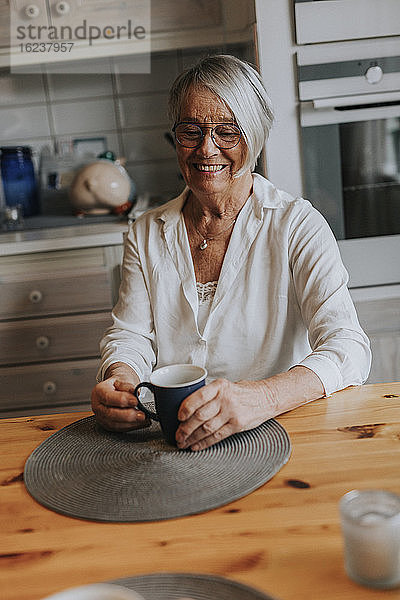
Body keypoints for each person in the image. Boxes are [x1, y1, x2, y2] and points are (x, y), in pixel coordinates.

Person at [91, 54, 371, 451]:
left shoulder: (297, 226)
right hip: (174, 442)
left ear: (253, 137)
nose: (206, 149)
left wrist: (261, 398)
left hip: (282, 436)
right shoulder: (146, 232)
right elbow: (130, 334)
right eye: (190, 131)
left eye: (228, 132)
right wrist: (118, 378)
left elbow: (349, 347)